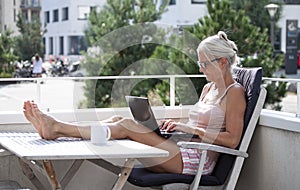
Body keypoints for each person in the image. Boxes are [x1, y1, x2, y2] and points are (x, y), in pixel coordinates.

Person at [23, 31, 246, 176]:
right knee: (118, 120)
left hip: (196, 161)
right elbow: (199, 125)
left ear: (223, 62)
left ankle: (57, 128)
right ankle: (57, 129)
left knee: (126, 126)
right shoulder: (208, 89)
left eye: (204, 64)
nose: (200, 69)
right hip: (181, 148)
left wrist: (189, 128)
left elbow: (233, 140)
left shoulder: (234, 93)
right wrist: (171, 126)